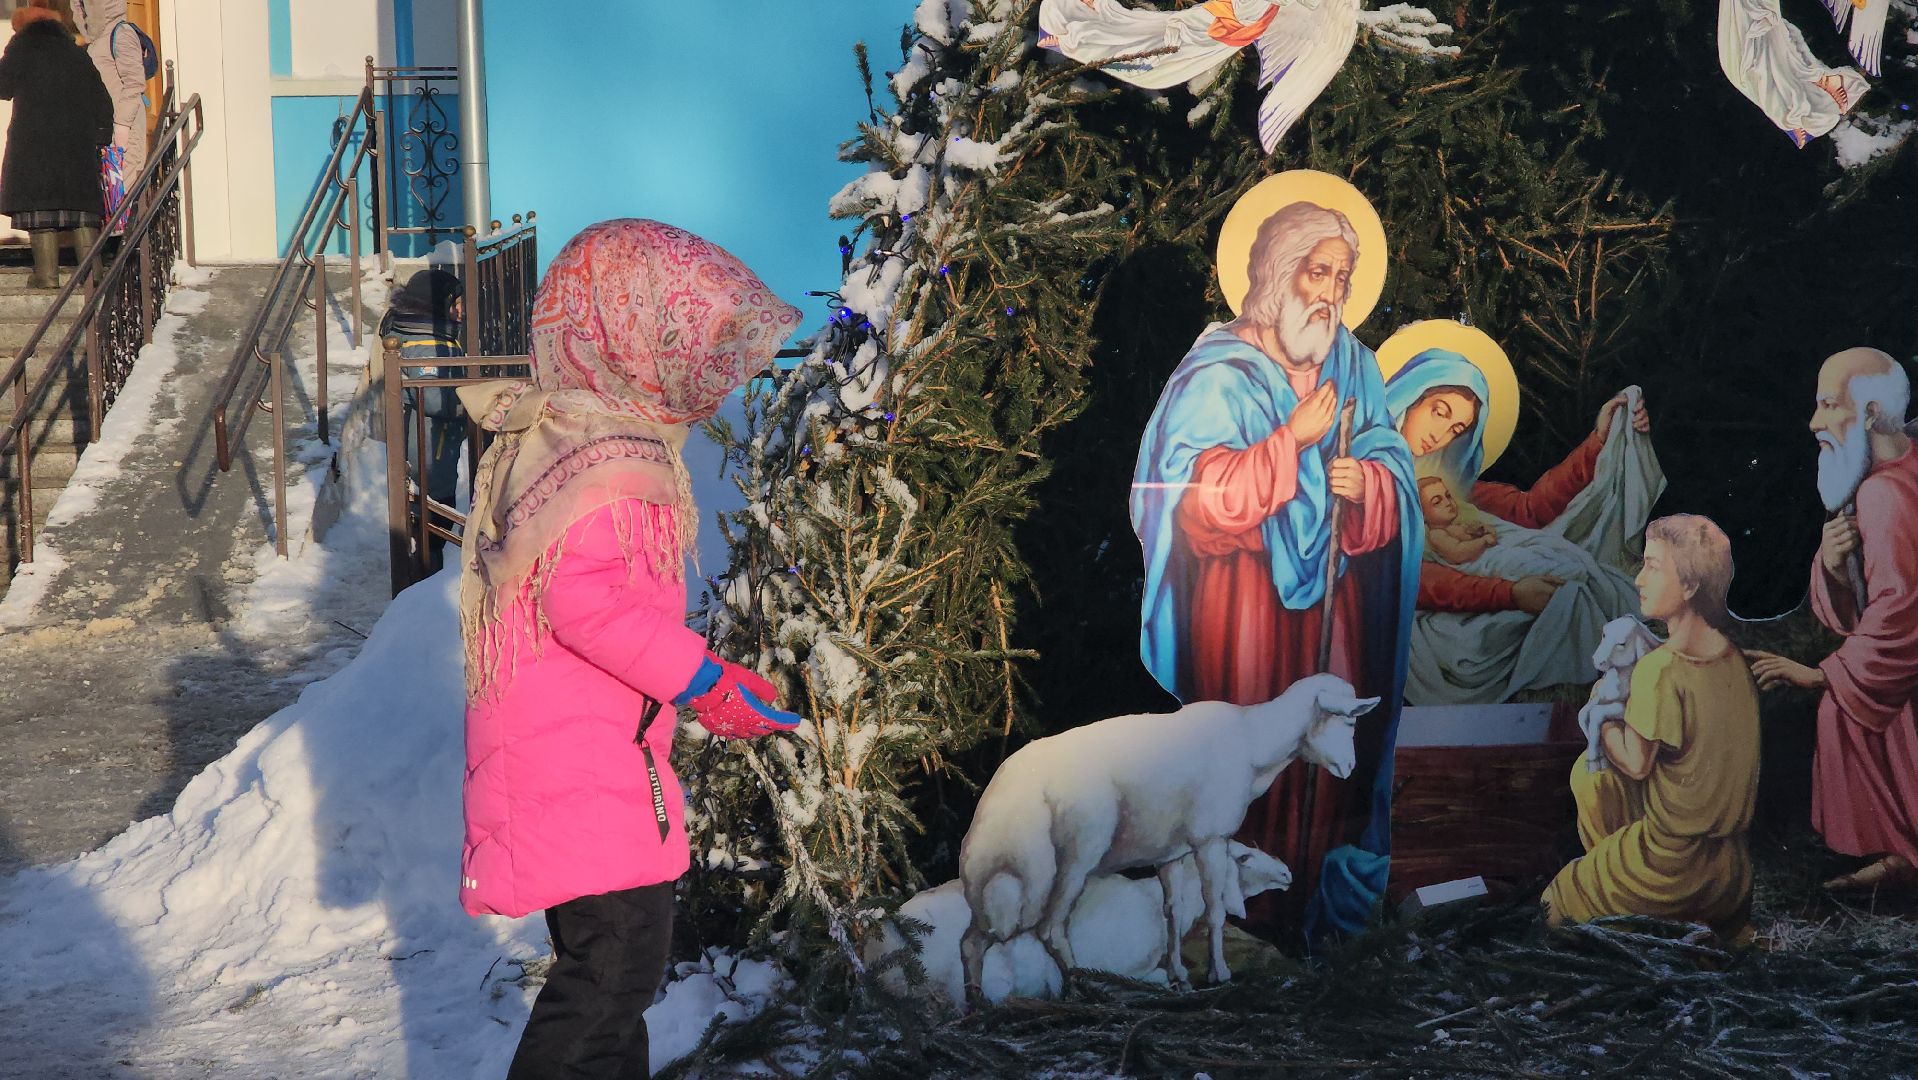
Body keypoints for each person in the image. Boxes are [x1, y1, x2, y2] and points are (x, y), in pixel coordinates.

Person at [456, 220, 804, 1080]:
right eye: (682, 340)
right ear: (632, 338)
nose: (706, 372)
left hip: (583, 764)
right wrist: (705, 680)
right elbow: (586, 603)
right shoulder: (607, 462)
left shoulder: (572, 438)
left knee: (614, 987)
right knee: (611, 979)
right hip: (582, 772)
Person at [1130, 199, 1421, 943]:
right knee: (1245, 768)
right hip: (1244, 608)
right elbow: (1191, 503)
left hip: (1335, 598)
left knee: (1326, 756)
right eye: (1316, 272)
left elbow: (1390, 455)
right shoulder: (1217, 371)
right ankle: (1238, 926)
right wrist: (1291, 442)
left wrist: (1371, 488)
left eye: (1342, 278)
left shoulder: (1353, 362)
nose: (1328, 293)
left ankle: (1311, 918)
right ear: (1275, 273)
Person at [1542, 515, 1761, 942]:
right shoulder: (1733, 659)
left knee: (1552, 909)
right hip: (1732, 870)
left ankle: (1632, 909)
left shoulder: (1659, 668)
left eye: (1653, 567)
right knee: (1593, 780)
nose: (1639, 580)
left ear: (1691, 585)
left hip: (1670, 869)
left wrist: (1599, 714)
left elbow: (1636, 764)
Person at [1748, 348, 1918, 893]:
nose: (1815, 422)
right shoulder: (1889, 473)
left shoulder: (1881, 495)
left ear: (1870, 413)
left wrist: (1821, 675)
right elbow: (1865, 607)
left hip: (1908, 679)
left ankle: (1901, 854)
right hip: (1900, 668)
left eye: (1828, 406)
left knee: (1842, 708)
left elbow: (1900, 612)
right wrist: (1835, 566)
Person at [1385, 347, 1652, 616]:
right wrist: (1509, 593)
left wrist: (1600, 440)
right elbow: (1402, 575)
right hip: (1419, 617)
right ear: (1412, 396)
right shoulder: (1364, 483)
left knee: (1585, 578)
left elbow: (1528, 510)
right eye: (1440, 412)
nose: (1440, 435)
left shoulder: (1449, 486)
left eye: (1456, 430)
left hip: (1486, 589)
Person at [0, 0, 113, 289]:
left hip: (34, 145)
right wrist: (101, 136)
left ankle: (47, 276)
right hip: (77, 145)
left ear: (21, 28)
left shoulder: (21, 48)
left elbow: (3, 86)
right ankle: (93, 274)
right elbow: (101, 99)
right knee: (82, 213)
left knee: (40, 212)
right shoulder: (76, 53)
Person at [382, 268, 466, 573]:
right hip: (431, 449)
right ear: (439, 305)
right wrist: (468, 404)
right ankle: (425, 582)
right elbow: (431, 397)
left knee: (431, 520)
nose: (461, 310)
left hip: (434, 445)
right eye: (456, 303)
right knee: (433, 523)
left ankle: (425, 574)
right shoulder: (428, 343)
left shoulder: (427, 336)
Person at [72, 0, 148, 205]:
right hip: (107, 132)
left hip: (123, 132)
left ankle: (128, 237)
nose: (85, 11)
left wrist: (122, 126)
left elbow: (135, 83)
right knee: (112, 201)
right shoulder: (98, 40)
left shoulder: (121, 32)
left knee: (123, 198)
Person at [1418, 476, 1498, 565]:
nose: (1448, 503)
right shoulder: (1437, 534)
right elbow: (1458, 554)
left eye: (1448, 496)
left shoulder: (1457, 525)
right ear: (1422, 516)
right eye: (1437, 502)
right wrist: (1483, 541)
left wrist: (1483, 529)